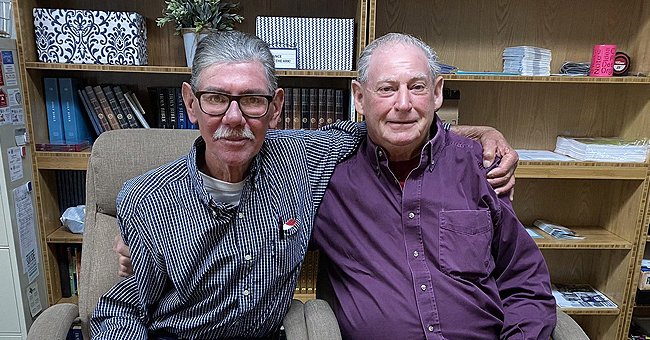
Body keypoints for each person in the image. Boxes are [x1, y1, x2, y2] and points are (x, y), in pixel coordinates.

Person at [100, 31, 520, 339]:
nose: (233, 118)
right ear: (191, 103)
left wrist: (479, 134)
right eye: (215, 99)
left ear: (276, 107)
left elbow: (394, 121)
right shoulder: (146, 199)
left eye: (251, 100)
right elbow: (118, 311)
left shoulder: (303, 162)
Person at [310, 33, 556, 339]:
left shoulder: (480, 166)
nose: (403, 104)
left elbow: (525, 281)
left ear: (437, 93)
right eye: (387, 89)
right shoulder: (324, 175)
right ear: (359, 98)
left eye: (416, 87)